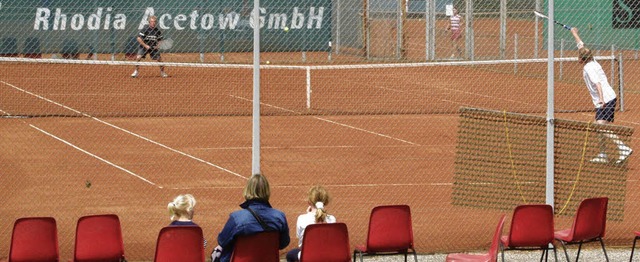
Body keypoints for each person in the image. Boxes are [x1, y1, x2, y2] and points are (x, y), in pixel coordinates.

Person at [570, 27, 632, 164]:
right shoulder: (592, 61)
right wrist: (575, 34)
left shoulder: (588, 68)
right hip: (608, 97)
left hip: (605, 99)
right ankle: (603, 154)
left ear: (581, 59)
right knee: (600, 127)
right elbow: (582, 46)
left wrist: (601, 100)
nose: (577, 56)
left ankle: (623, 148)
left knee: (600, 126)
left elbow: (597, 84)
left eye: (578, 55)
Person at [212, 174, 290, 262]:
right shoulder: (279, 217)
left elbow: (222, 241)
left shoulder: (237, 218)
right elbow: (283, 243)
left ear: (248, 190)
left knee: (218, 252)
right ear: (267, 191)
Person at [286, 185, 336, 262]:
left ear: (309, 202)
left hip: (308, 256)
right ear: (325, 202)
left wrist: (307, 214)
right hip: (328, 255)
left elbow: (301, 241)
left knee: (290, 254)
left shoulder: (302, 218)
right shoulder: (332, 219)